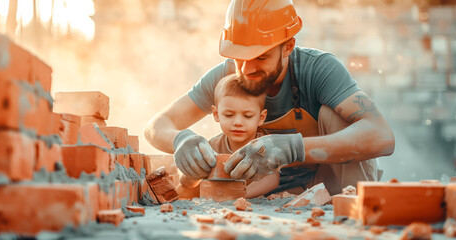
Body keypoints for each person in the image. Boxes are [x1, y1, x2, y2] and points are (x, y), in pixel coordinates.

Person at [145, 0, 395, 195]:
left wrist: (293, 148)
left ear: (287, 46)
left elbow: (381, 136)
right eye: (239, 56)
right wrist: (180, 140)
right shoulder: (227, 78)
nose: (246, 69)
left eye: (260, 57)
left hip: (329, 187)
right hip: (262, 193)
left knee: (336, 114)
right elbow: (156, 125)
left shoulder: (318, 69)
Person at [178, 73, 279, 198]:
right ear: (216, 114)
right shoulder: (212, 146)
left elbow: (273, 179)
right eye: (229, 115)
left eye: (247, 116)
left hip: (252, 203)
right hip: (218, 205)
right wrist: (193, 174)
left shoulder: (263, 144)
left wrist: (240, 195)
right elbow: (186, 183)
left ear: (261, 117)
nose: (237, 123)